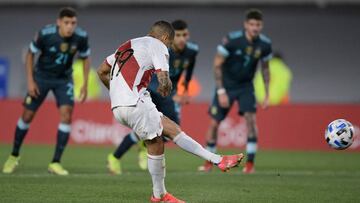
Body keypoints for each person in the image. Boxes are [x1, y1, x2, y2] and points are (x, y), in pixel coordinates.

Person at [97, 20, 243, 202]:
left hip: (118, 106)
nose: (168, 48)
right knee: (165, 137)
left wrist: (117, 93)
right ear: (165, 38)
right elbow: (164, 79)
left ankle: (215, 160)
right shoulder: (158, 45)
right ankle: (163, 193)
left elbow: (102, 71)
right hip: (136, 102)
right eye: (169, 44)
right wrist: (166, 88)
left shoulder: (127, 45)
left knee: (164, 135)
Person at [2, 7, 90, 175]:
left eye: (73, 23)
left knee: (67, 114)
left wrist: (85, 84)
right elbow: (30, 54)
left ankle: (55, 162)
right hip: (41, 78)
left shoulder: (81, 37)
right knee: (27, 115)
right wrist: (30, 81)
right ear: (59, 22)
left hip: (63, 80)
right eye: (66, 23)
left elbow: (86, 58)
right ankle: (14, 155)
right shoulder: (46, 34)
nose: (70, 26)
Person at [106, 19, 199, 175]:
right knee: (168, 128)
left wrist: (184, 92)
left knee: (166, 129)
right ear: (170, 37)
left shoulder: (192, 51)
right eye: (179, 35)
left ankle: (131, 151)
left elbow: (187, 75)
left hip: (168, 93)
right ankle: (118, 157)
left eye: (185, 35)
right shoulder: (161, 48)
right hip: (152, 89)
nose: (182, 39)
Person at [198, 9, 272, 174]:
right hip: (227, 85)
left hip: (246, 87)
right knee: (214, 123)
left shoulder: (265, 45)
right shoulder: (232, 40)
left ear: (261, 26)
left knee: (251, 121)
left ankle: (250, 165)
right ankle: (208, 162)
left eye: (258, 25)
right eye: (252, 24)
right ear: (246, 25)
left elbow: (265, 69)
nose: (255, 28)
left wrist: (267, 93)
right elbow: (217, 64)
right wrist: (221, 91)